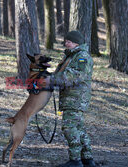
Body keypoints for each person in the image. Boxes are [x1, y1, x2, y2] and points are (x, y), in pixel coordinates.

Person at [45, 30, 96, 167]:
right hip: (70, 98)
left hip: (76, 99)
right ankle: (87, 159)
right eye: (66, 41)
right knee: (79, 129)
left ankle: (75, 160)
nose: (66, 43)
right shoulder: (70, 56)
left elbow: (74, 76)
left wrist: (51, 80)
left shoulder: (82, 57)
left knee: (69, 128)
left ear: (76, 42)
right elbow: (62, 74)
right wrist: (51, 76)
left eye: (69, 41)